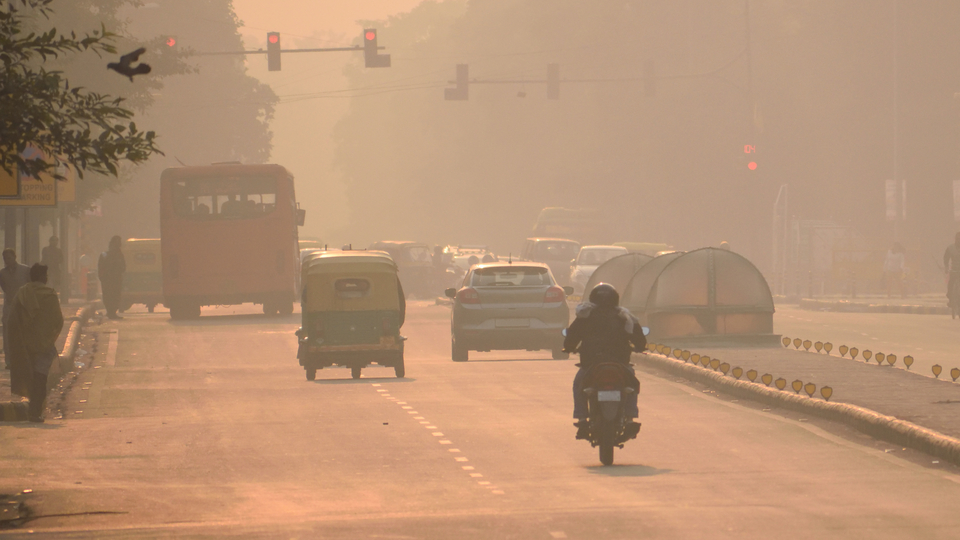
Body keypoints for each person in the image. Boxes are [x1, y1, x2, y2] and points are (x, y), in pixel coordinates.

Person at [563, 283, 646, 439]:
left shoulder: (585, 315)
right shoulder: (624, 316)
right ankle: (630, 418)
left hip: (591, 362)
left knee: (579, 384)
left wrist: (568, 348)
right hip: (620, 362)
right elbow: (639, 339)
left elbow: (571, 337)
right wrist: (639, 347)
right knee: (632, 383)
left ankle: (582, 419)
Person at [7, 264, 64, 423]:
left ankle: (34, 410)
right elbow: (58, 321)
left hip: (24, 344)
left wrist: (17, 341)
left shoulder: (22, 293)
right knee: (40, 378)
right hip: (44, 344)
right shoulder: (50, 295)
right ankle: (35, 411)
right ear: (42, 277)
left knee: (28, 376)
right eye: (45, 275)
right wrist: (50, 337)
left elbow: (12, 320)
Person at [0, 249, 31, 369]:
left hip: (23, 305)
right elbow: (4, 288)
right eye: (5, 259)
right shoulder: (2, 273)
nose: (8, 261)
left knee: (23, 333)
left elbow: (30, 286)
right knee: (8, 333)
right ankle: (9, 361)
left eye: (9, 258)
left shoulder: (25, 270)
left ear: (15, 257)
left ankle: (23, 359)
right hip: (9, 305)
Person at [98, 236, 126, 319]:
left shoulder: (119, 255)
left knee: (114, 296)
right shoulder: (105, 255)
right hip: (109, 280)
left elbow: (123, 267)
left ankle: (112, 312)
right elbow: (101, 269)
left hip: (113, 280)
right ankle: (110, 312)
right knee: (110, 296)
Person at [945, 233, 960, 307]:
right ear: (955, 239)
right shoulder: (950, 248)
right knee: (951, 284)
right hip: (954, 270)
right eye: (957, 239)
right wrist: (946, 267)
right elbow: (946, 258)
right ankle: (951, 299)